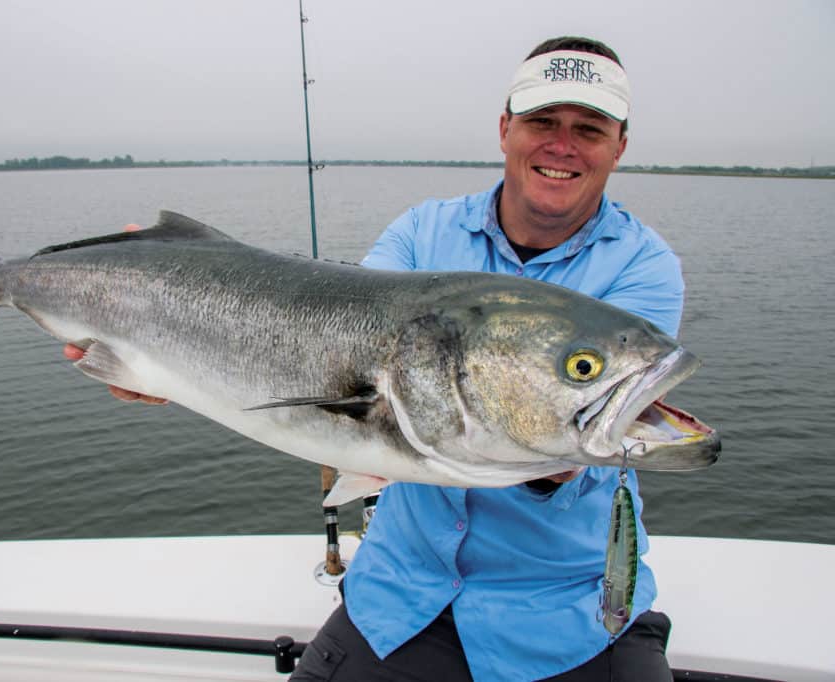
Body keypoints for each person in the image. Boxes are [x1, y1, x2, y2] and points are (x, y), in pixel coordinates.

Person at [68, 36, 682, 681]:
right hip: (401, 591)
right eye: (541, 122)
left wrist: (575, 431)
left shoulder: (643, 269)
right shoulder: (424, 231)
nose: (563, 145)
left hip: (567, 607)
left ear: (619, 146)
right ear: (505, 129)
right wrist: (173, 359)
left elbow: (570, 438)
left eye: (589, 128)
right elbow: (340, 342)